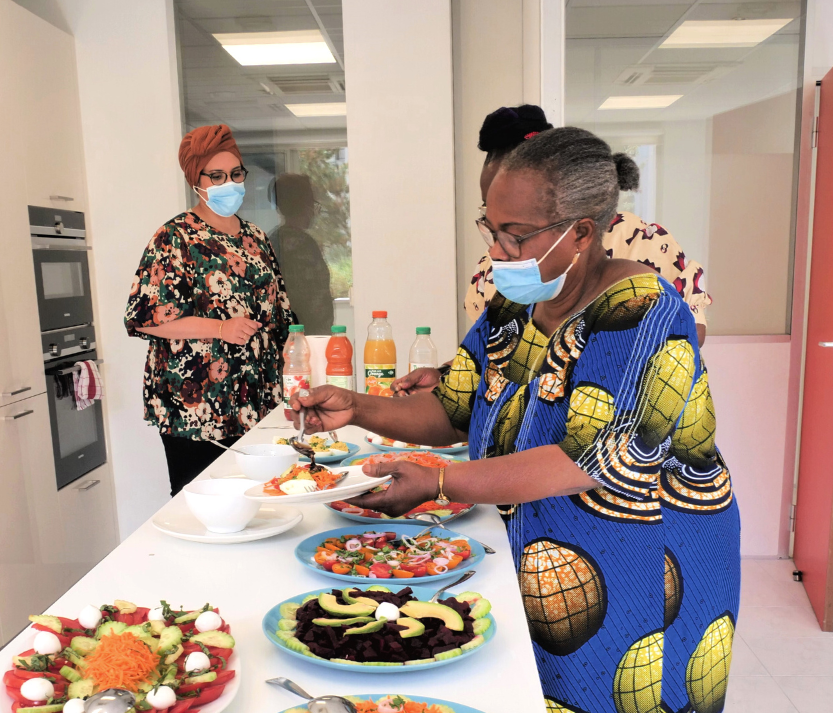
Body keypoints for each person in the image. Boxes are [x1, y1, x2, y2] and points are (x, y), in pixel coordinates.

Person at [291, 127, 740, 713]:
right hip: (541, 557)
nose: (497, 251)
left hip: (643, 566)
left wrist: (440, 483)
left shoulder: (643, 312)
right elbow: (455, 406)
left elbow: (587, 459)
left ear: (581, 232)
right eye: (492, 229)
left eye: (516, 235)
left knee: (618, 694)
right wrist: (359, 408)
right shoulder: (515, 307)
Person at [393, 105, 711, 396]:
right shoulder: (490, 274)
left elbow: (685, 337)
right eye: (490, 210)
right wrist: (447, 379)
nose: (499, 240)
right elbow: (495, 361)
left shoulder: (641, 242)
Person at [125, 124, 294, 496]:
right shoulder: (175, 237)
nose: (228, 184)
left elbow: (281, 312)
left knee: (266, 497)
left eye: (235, 175)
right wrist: (220, 328)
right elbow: (145, 316)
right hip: (196, 404)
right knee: (201, 503)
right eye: (216, 176)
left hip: (259, 399)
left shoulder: (255, 238)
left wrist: (297, 358)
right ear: (195, 180)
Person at [268, 173, 334, 335]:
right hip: (307, 339)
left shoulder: (272, 240)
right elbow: (315, 304)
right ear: (305, 206)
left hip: (282, 337)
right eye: (313, 203)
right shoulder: (302, 245)